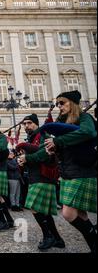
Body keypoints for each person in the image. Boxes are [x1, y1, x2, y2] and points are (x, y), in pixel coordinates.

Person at [44, 91, 97, 253]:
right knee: (81, 214)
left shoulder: (84, 118)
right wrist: (54, 149)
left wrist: (58, 141)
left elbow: (89, 133)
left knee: (68, 213)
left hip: (82, 170)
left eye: (62, 103)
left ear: (72, 103)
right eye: (58, 103)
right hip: (68, 170)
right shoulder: (63, 121)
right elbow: (68, 147)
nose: (59, 106)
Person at [17, 113, 65, 251]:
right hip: (36, 175)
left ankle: (48, 236)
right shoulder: (32, 138)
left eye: (29, 123)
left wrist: (27, 159)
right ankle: (57, 239)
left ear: (36, 123)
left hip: (43, 176)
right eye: (24, 124)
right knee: (44, 211)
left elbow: (45, 153)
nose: (26, 126)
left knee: (33, 207)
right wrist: (23, 160)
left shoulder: (43, 134)